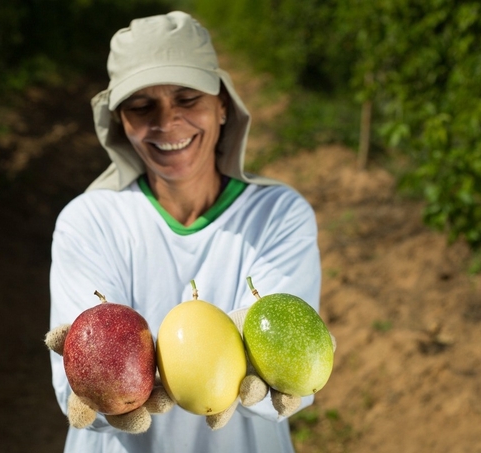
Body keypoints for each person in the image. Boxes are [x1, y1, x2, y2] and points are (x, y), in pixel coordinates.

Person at [49, 10, 322, 453]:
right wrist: (99, 381)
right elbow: (77, 389)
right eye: (141, 106)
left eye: (187, 98)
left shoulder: (278, 214)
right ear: (121, 122)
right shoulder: (89, 221)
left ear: (222, 106)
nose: (167, 121)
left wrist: (275, 370)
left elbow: (288, 381)